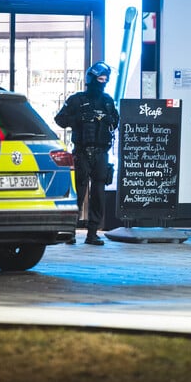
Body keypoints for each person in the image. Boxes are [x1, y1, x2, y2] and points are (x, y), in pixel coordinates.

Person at [55, 61, 119, 246]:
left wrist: (107, 119)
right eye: (100, 79)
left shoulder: (107, 100)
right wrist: (79, 119)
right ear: (91, 78)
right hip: (82, 152)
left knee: (98, 194)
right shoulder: (77, 100)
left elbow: (115, 120)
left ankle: (92, 233)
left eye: (105, 80)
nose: (103, 82)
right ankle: (70, 232)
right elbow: (60, 119)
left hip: (101, 153)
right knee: (79, 193)